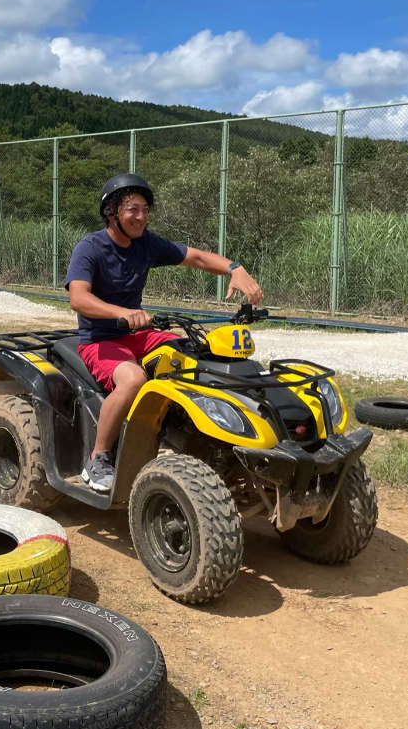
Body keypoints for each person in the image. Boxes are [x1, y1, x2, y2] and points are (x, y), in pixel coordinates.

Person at [64, 173, 263, 492]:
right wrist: (123, 313)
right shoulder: (90, 248)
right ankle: (98, 458)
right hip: (101, 340)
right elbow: (79, 297)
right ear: (111, 212)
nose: (141, 217)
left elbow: (195, 257)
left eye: (145, 209)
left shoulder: (146, 244)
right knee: (133, 380)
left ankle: (201, 435)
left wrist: (234, 268)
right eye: (132, 209)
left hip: (140, 334)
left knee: (195, 356)